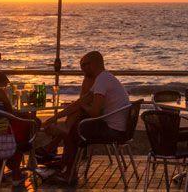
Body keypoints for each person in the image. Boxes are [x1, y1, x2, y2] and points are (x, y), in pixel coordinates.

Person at [41, 51, 130, 184]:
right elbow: (81, 102)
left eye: (84, 65)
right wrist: (55, 117)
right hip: (118, 127)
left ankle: (69, 174)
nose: (82, 68)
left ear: (93, 64)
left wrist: (82, 108)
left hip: (113, 130)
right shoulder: (104, 78)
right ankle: (65, 164)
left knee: (73, 131)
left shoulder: (102, 80)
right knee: (75, 125)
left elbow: (94, 112)